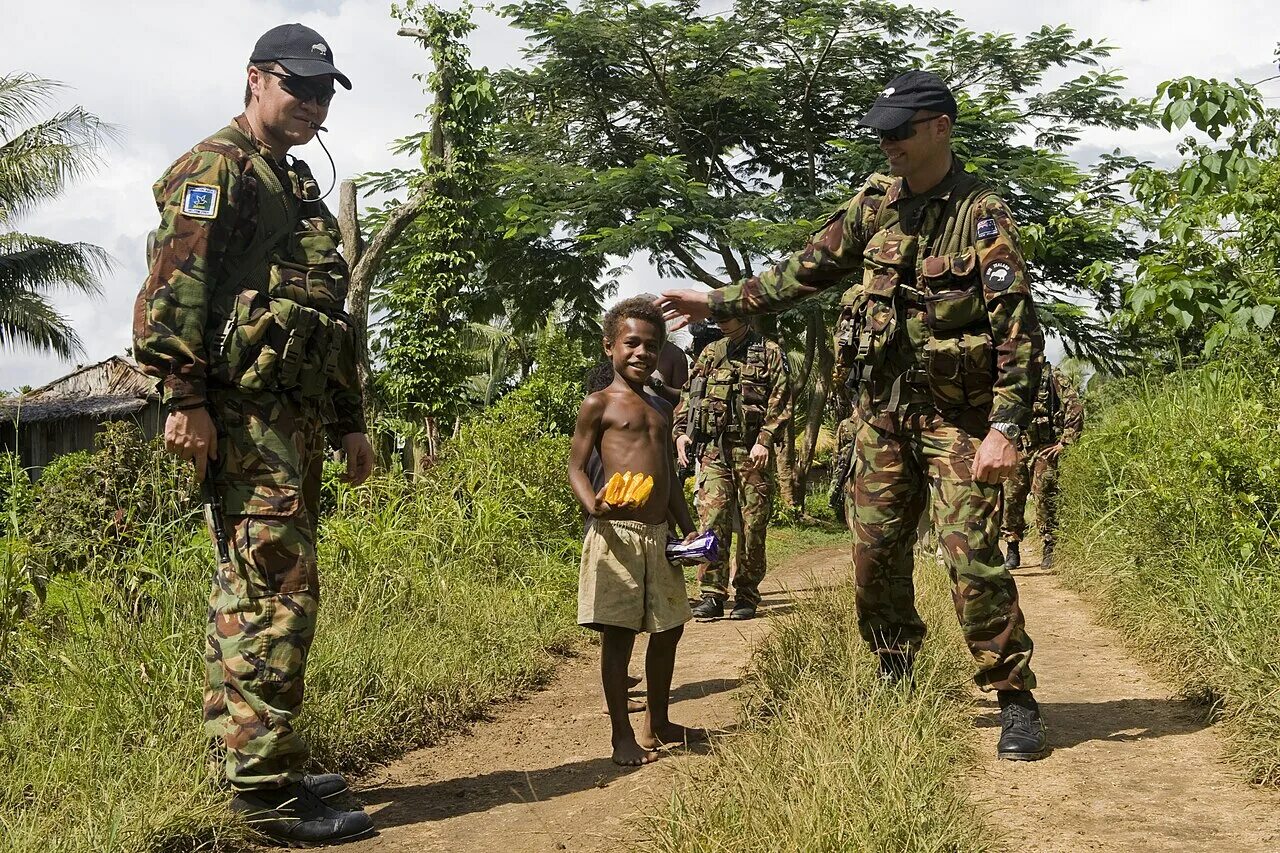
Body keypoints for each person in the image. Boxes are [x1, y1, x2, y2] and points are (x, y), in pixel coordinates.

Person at [657, 70, 1049, 761]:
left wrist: (1005, 428)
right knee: (873, 560)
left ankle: (1014, 694)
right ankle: (895, 671)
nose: (887, 142)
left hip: (958, 421)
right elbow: (801, 271)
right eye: (881, 131)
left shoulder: (981, 215)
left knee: (972, 558)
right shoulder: (873, 207)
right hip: (880, 418)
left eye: (900, 130)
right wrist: (720, 303)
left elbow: (1019, 333)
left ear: (940, 129)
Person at [132, 24, 375, 843]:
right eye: (298, 87)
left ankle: (262, 758)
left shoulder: (291, 180)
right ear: (256, 80)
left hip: (292, 420)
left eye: (322, 92)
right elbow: (174, 288)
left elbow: (324, 317)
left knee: (267, 592)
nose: (311, 104)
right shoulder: (216, 168)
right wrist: (183, 397)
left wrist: (349, 421)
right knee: (270, 593)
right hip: (242, 419)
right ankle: (258, 791)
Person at [568, 296, 707, 766]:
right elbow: (575, 469)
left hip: (657, 536)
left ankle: (659, 722)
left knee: (669, 629)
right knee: (620, 635)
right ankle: (621, 734)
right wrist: (596, 506)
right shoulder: (599, 404)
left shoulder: (659, 409)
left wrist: (688, 530)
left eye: (651, 345)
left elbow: (667, 477)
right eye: (631, 343)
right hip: (616, 535)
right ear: (610, 346)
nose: (641, 353)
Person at [673, 318, 792, 621]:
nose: (723, 323)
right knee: (712, 520)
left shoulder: (769, 352)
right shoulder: (711, 352)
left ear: (746, 315)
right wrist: (680, 432)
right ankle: (712, 594)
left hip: (752, 450)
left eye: (729, 316)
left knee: (753, 524)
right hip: (713, 449)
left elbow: (781, 400)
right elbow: (689, 394)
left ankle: (747, 594)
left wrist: (765, 439)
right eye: (719, 316)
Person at [1001, 363, 1084, 570]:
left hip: (1044, 448)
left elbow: (1074, 406)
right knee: (1012, 497)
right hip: (1018, 447)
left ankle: (1049, 548)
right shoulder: (1012, 377)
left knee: (1045, 496)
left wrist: (1065, 441)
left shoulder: (1054, 376)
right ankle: (1012, 549)